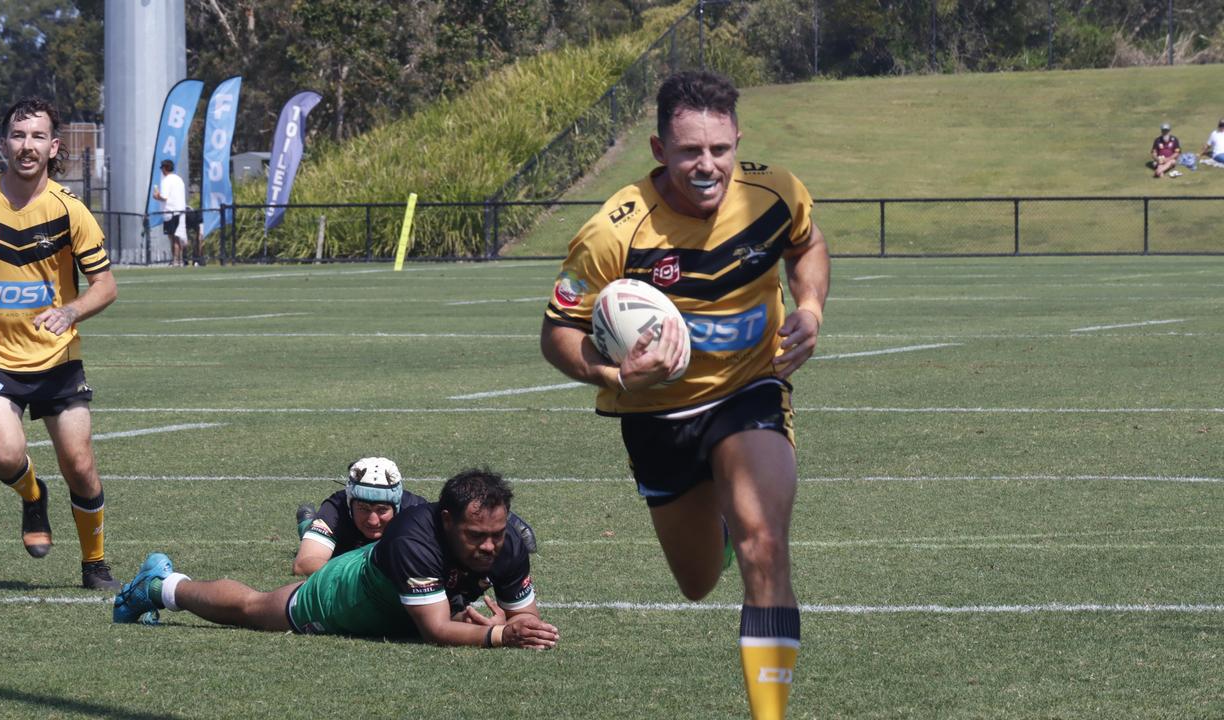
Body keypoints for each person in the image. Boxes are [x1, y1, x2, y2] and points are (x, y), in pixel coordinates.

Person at [540, 71, 829, 720]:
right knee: (698, 582)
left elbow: (807, 246)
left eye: (720, 150)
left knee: (765, 543)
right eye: (690, 151)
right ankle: (722, 522)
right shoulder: (615, 232)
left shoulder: (774, 194)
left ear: (737, 142)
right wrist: (614, 376)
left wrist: (809, 306)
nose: (707, 165)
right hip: (656, 416)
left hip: (749, 390)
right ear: (658, 148)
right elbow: (557, 333)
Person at [0, 97, 120, 590]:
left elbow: (105, 285)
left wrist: (71, 310)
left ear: (53, 146)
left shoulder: (70, 210)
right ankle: (32, 494)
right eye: (19, 136)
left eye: (38, 137)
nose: (27, 146)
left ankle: (95, 564)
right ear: (4, 143)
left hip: (56, 360)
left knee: (81, 465)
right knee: (5, 457)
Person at [113, 468, 559, 650]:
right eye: (476, 536)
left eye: (496, 535)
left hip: (403, 599)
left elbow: (527, 618)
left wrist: (518, 624)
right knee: (252, 609)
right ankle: (160, 586)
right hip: (344, 594)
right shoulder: (413, 540)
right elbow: (437, 630)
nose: (489, 547)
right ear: (446, 522)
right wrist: (500, 635)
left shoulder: (507, 542)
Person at [293, 456, 538, 576]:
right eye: (363, 509)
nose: (372, 521)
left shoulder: (413, 510)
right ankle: (307, 522)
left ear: (397, 506)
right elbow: (304, 564)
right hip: (345, 547)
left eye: (382, 510)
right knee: (314, 532)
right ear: (350, 503)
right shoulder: (336, 509)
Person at [151, 159, 187, 266]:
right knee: (179, 236)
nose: (161, 170)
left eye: (162, 168)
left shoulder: (166, 181)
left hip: (170, 212)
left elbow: (164, 197)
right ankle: (180, 260)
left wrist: (156, 196)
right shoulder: (179, 179)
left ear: (165, 168)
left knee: (173, 238)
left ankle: (175, 261)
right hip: (180, 211)